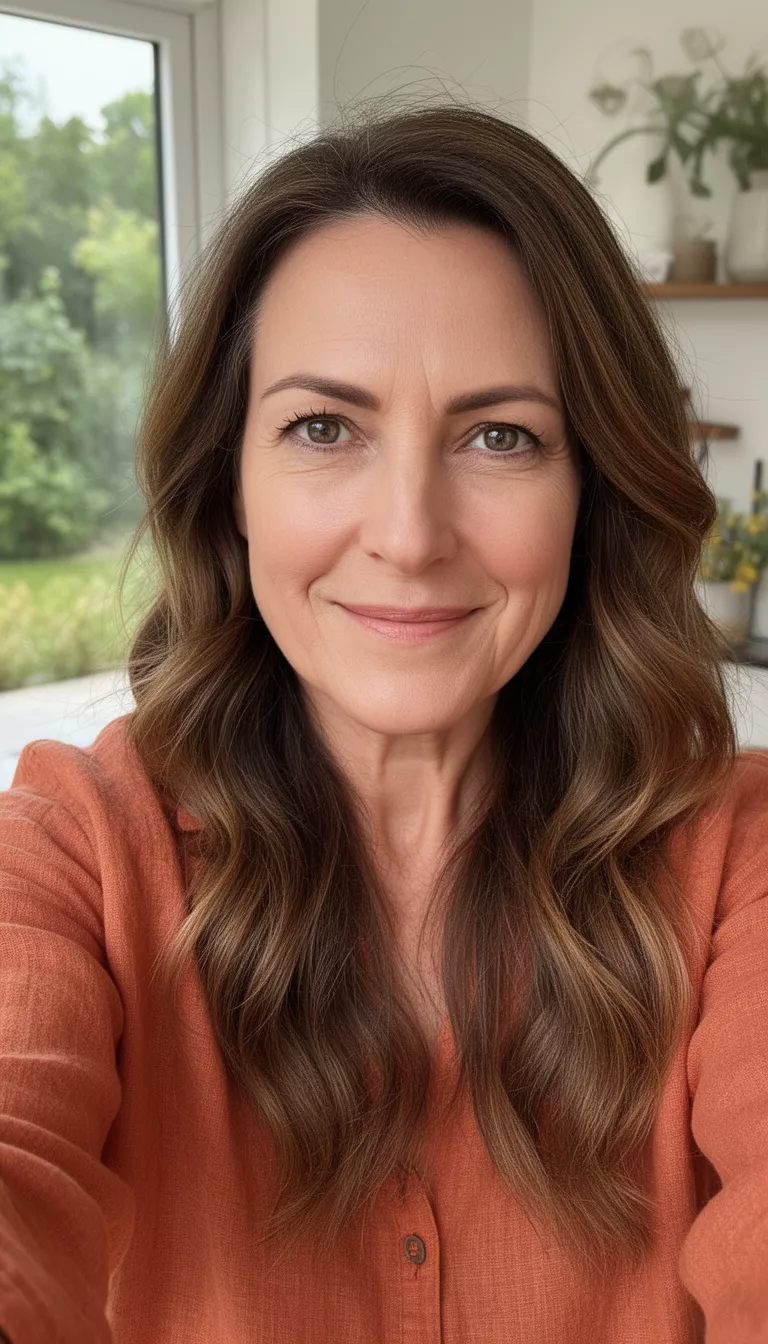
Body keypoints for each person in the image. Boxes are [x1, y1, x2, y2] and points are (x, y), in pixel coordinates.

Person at [0, 95, 766, 1344]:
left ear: (595, 491)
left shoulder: (736, 864)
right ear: (230, 485)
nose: (408, 535)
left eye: (503, 437)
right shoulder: (75, 853)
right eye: (323, 427)